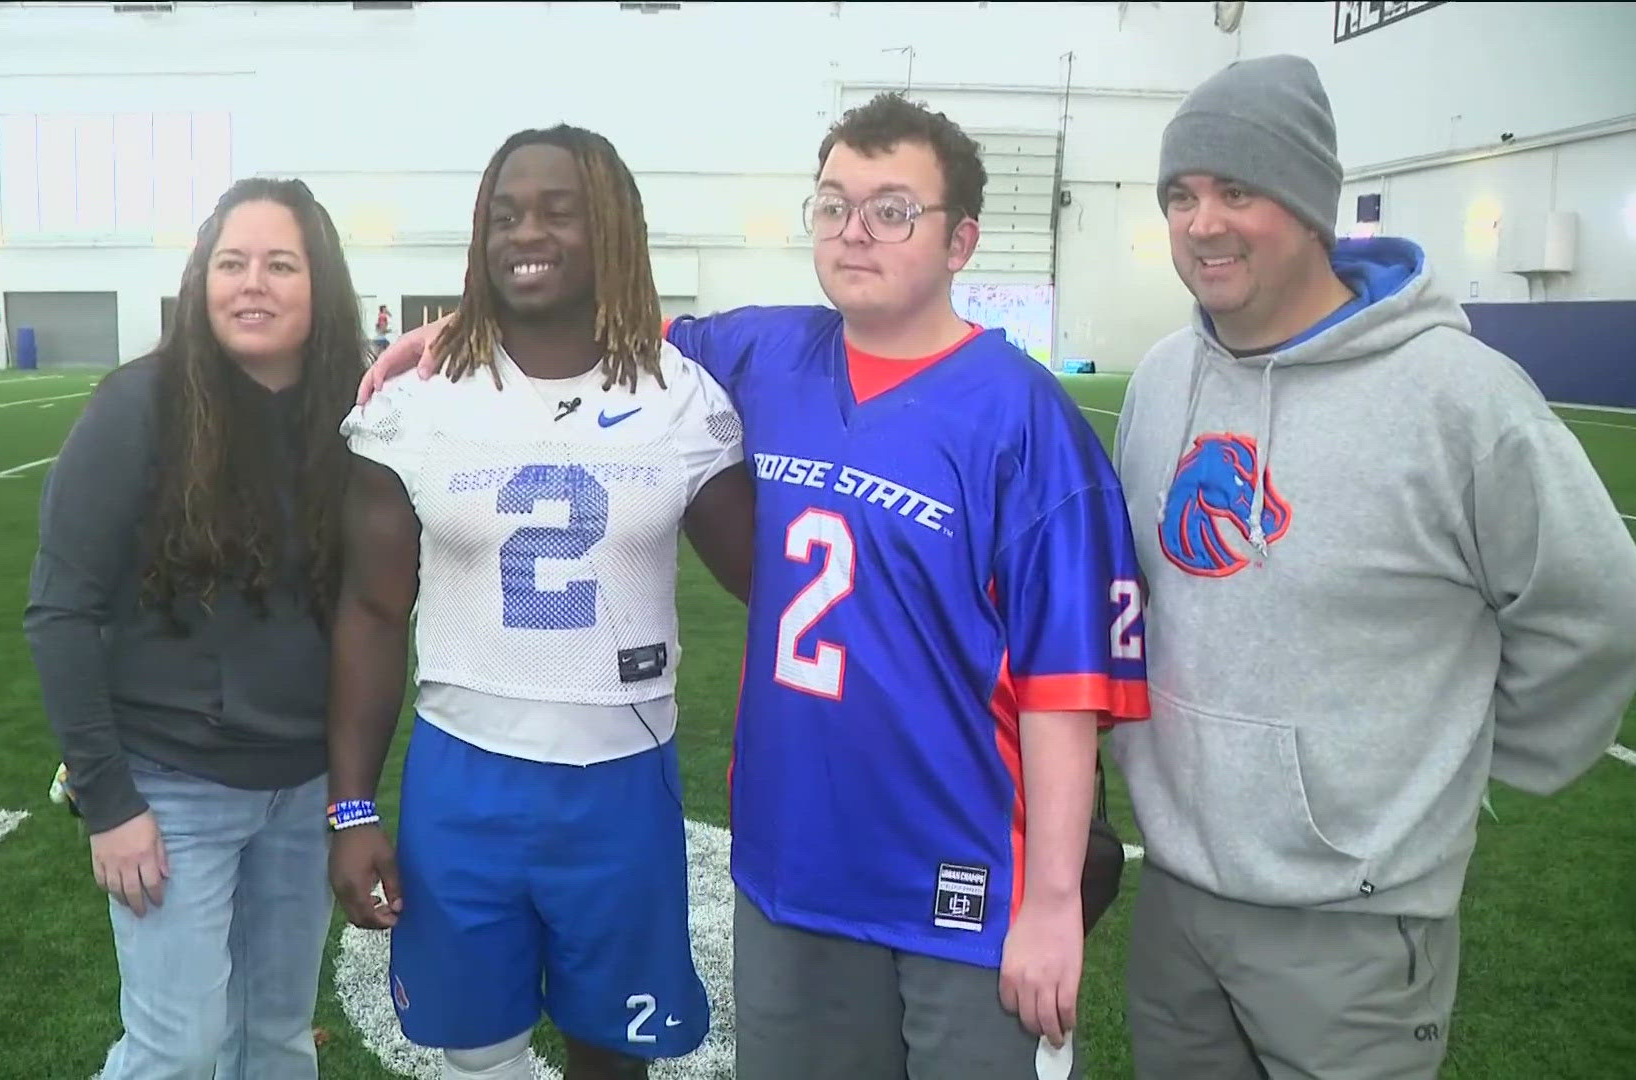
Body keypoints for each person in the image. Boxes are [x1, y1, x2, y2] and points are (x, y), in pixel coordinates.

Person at [363, 93, 1150, 1080]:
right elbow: (588, 328)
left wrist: (1047, 905)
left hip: (962, 872)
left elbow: (1064, 685)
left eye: (893, 208)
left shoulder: (1026, 421)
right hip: (790, 866)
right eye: (834, 204)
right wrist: (454, 335)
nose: (855, 230)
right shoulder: (765, 356)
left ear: (962, 242)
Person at [1111, 54, 1636, 1080]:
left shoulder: (1462, 398)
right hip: (1178, 893)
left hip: (1351, 925)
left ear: (1310, 206)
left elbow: (1602, 609)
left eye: (1238, 190)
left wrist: (1448, 769)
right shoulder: (1169, 374)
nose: (1202, 222)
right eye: (1181, 195)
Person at [326, 125, 753, 1080]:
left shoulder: (682, 398)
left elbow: (767, 578)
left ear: (611, 231)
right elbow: (368, 612)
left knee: (615, 1053)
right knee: (475, 1049)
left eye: (559, 211)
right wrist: (351, 807)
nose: (529, 232)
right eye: (505, 214)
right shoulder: (417, 404)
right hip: (463, 777)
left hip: (620, 780)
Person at [25, 177, 366, 1080]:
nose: (252, 284)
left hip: (303, 788)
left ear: (319, 286)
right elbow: (60, 612)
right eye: (232, 262)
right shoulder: (137, 407)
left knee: (277, 1040)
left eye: (281, 264)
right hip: (173, 792)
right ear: (200, 279)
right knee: (175, 1050)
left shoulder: (358, 419)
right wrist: (110, 801)